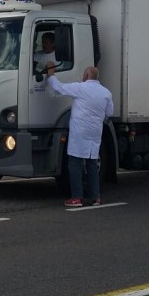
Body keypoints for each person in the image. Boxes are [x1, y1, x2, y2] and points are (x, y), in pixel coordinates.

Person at [46, 62, 113, 207]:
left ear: (86, 76)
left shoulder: (80, 88)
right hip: (95, 132)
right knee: (92, 163)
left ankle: (77, 197)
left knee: (75, 163)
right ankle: (96, 197)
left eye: (84, 74)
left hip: (80, 131)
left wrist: (51, 75)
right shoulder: (106, 93)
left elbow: (60, 88)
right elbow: (109, 113)